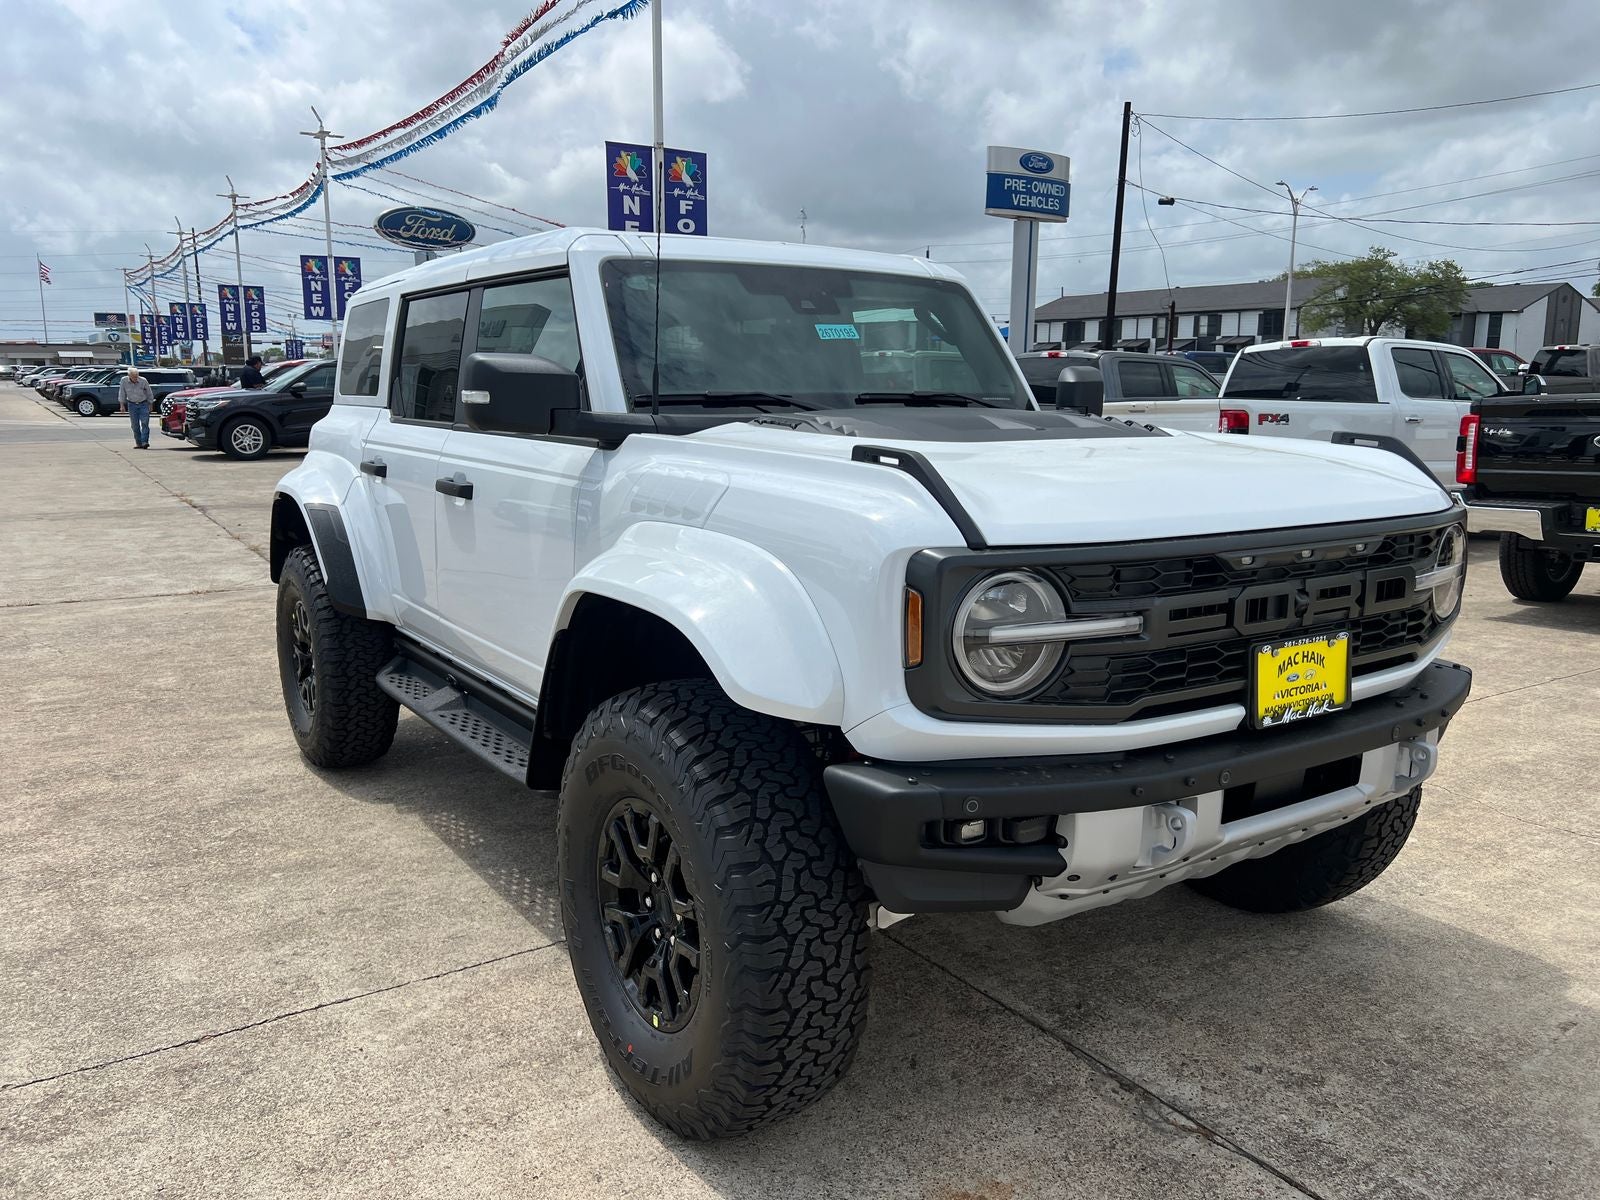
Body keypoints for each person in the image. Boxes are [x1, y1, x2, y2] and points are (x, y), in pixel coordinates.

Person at [119, 367, 154, 449]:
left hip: (143, 403)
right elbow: (122, 393)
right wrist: (122, 405)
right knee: (135, 425)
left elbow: (149, 392)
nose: (136, 378)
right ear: (129, 376)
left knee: (145, 423)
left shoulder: (143, 380)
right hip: (132, 404)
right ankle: (139, 443)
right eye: (134, 377)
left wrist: (150, 404)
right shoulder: (124, 381)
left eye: (137, 376)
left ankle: (145, 441)